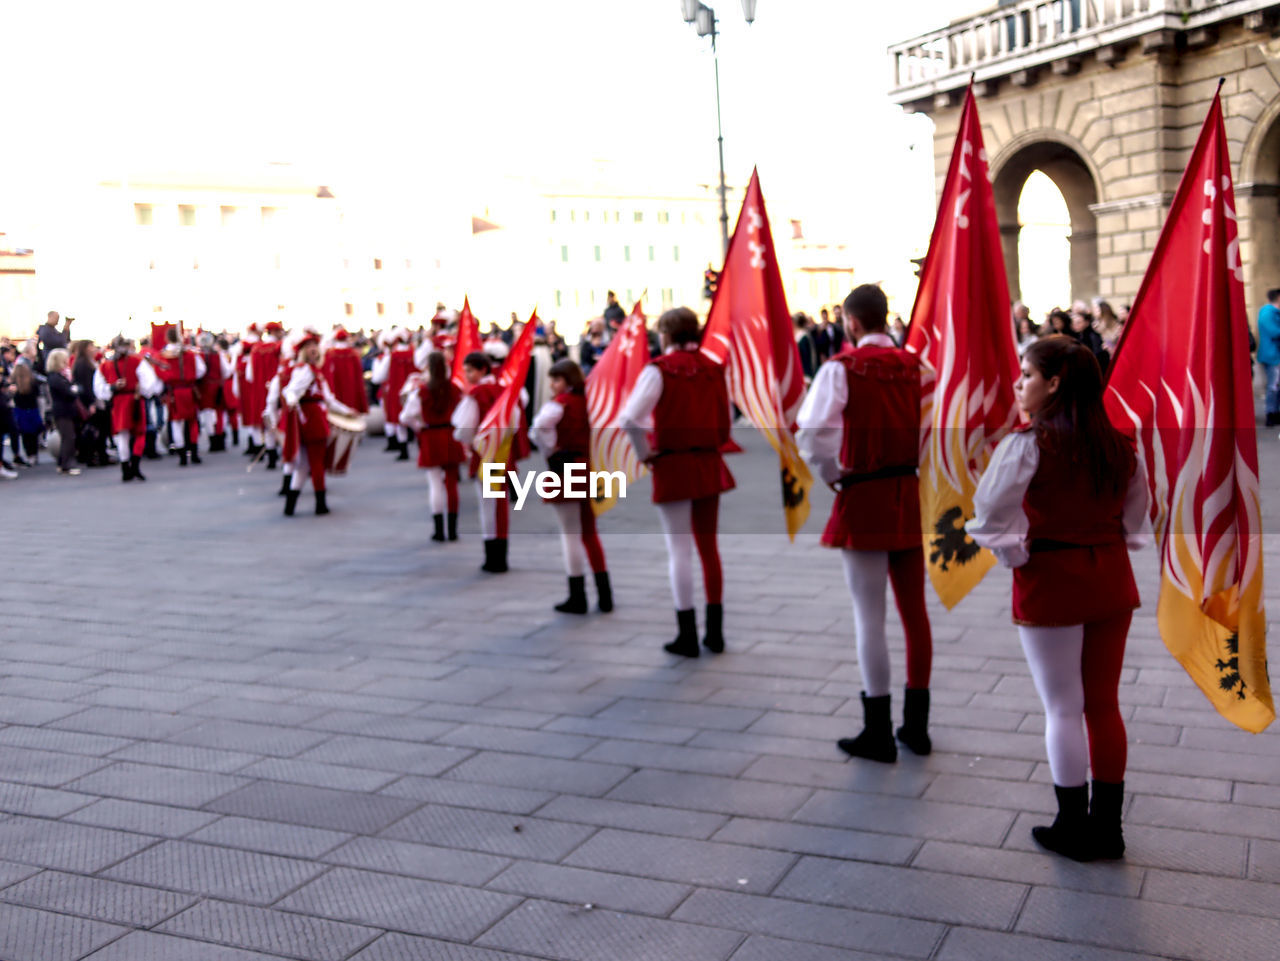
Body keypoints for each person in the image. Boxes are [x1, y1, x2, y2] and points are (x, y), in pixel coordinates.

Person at [967, 335, 1150, 862]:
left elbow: (987, 520)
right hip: (1110, 575)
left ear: (1053, 384)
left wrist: (1018, 556)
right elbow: (1136, 521)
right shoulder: (1121, 445)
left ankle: (1072, 825)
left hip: (1052, 576)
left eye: (1026, 374)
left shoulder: (1028, 444)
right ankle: (1107, 830)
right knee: (1104, 705)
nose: (1018, 384)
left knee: (1062, 708)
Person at [796, 284, 934, 763]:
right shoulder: (920, 366)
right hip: (908, 491)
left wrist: (836, 474)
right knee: (914, 611)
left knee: (869, 615)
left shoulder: (841, 369)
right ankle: (917, 728)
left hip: (865, 491)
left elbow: (811, 434)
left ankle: (877, 729)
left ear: (852, 322)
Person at [621, 306, 734, 657]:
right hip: (707, 460)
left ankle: (687, 633)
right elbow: (726, 420)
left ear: (666, 334)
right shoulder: (714, 368)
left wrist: (643, 453)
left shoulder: (659, 371)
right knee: (709, 549)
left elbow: (629, 418)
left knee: (679, 551)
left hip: (673, 462)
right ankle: (715, 633)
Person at [532, 359, 612, 614]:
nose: (553, 385)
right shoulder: (589, 402)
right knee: (590, 532)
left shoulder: (559, 405)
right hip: (587, 464)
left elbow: (538, 429)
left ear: (568, 380)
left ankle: (577, 595)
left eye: (556, 380)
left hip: (564, 465)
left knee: (570, 534)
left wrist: (550, 449)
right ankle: (605, 594)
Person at [280, 332, 356, 516]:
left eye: (315, 345)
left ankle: (290, 506)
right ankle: (320, 504)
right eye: (309, 347)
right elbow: (290, 390)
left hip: (313, 418)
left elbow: (329, 399)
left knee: (305, 466)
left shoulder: (314, 371)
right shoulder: (305, 370)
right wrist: (291, 400)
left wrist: (347, 411)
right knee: (316, 463)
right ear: (303, 351)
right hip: (312, 420)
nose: (313, 349)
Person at [452, 350, 511, 572]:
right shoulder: (504, 390)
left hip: (485, 454)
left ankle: (492, 556)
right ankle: (502, 554)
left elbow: (462, 429)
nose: (466, 375)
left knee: (487, 507)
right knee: (501, 505)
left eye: (469, 370)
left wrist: (470, 443)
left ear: (482, 370)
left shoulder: (477, 394)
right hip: (503, 453)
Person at [401, 350, 465, 542]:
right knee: (452, 484)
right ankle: (453, 530)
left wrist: (419, 426)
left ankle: (438, 530)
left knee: (435, 484)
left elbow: (404, 417)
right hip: (450, 435)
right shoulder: (454, 388)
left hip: (431, 436)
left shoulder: (420, 391)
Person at [94, 336, 162, 481]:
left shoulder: (106, 365)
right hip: (134, 399)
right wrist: (143, 391)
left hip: (118, 402)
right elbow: (149, 383)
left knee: (122, 435)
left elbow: (99, 388)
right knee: (139, 432)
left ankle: (126, 467)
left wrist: (111, 388)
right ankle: (135, 465)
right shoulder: (136, 361)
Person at [154, 326, 207, 467]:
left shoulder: (163, 355)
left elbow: (160, 373)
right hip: (189, 390)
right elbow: (201, 370)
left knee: (176, 423)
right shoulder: (190, 353)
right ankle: (194, 453)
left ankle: (182, 455)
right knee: (192, 421)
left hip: (174, 392)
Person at [246, 321, 285, 468]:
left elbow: (250, 375)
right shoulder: (279, 347)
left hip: (260, 389)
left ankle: (271, 455)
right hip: (277, 388)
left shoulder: (255, 349)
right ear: (275, 332)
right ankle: (282, 453)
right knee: (280, 421)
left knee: (267, 422)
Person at [45, 348, 82, 475]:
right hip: (62, 410)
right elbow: (68, 392)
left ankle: (62, 463)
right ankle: (67, 464)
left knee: (68, 437)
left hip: (66, 410)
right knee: (68, 438)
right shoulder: (55, 377)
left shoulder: (62, 375)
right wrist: (73, 390)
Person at [324, 328, 370, 415]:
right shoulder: (353, 354)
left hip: (335, 390)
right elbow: (359, 378)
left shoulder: (329, 354)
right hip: (351, 391)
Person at [1257, 288, 1280, 427]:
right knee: (1273, 386)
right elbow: (1274, 332)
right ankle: (1270, 414)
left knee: (1276, 386)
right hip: (1272, 356)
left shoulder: (1273, 313)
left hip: (1275, 355)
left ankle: (1275, 412)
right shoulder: (1267, 313)